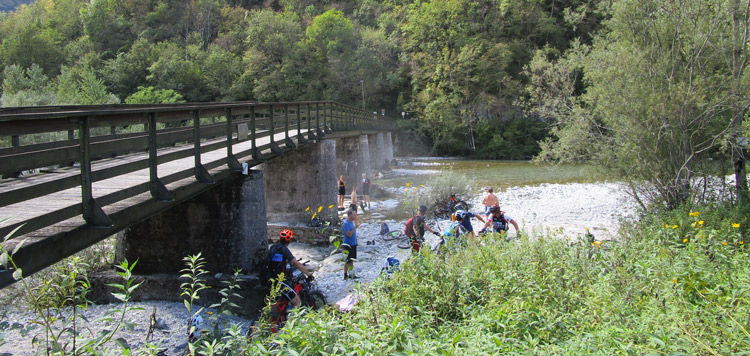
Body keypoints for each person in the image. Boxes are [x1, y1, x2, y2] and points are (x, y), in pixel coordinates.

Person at [265, 229, 313, 310]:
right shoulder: (284, 250)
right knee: (297, 302)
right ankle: (290, 321)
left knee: (275, 302)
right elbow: (297, 264)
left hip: (269, 279)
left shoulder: (273, 248)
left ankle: (274, 319)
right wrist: (309, 274)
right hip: (279, 282)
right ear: (289, 240)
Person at [341, 209, 358, 280]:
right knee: (348, 260)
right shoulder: (346, 224)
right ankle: (345, 275)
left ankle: (351, 274)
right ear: (350, 216)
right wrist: (354, 228)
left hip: (353, 243)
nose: (355, 216)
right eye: (354, 215)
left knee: (352, 260)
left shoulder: (351, 222)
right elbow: (349, 235)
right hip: (348, 245)